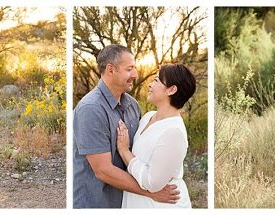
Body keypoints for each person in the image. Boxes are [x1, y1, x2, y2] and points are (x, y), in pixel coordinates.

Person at [73, 44, 179, 208]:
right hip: (97, 203)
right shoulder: (91, 109)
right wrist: (151, 192)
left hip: (128, 202)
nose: (135, 74)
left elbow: (140, 151)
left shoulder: (132, 105)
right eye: (129, 69)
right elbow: (103, 170)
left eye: (135, 68)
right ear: (110, 70)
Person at [116, 64, 196, 208]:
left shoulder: (173, 132)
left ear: (172, 90)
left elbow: (152, 183)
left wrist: (124, 151)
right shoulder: (148, 117)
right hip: (138, 201)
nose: (150, 84)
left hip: (161, 205)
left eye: (157, 81)